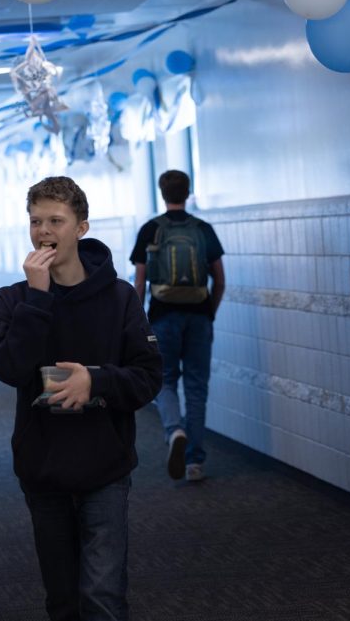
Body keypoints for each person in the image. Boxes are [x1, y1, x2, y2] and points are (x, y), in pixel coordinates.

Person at [0, 176, 162, 621]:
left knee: (102, 597)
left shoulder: (120, 297)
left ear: (81, 227)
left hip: (104, 466)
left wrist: (96, 382)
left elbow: (148, 377)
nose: (43, 231)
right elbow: (9, 369)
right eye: (35, 221)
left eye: (55, 221)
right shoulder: (13, 300)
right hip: (43, 469)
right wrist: (38, 300)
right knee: (62, 600)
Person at [131, 170, 225, 483]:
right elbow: (220, 279)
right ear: (188, 192)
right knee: (197, 388)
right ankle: (194, 463)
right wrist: (208, 313)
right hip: (199, 315)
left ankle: (175, 431)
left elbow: (140, 281)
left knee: (165, 380)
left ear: (162, 193)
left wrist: (138, 319)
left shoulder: (151, 229)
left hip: (162, 315)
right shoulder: (203, 229)